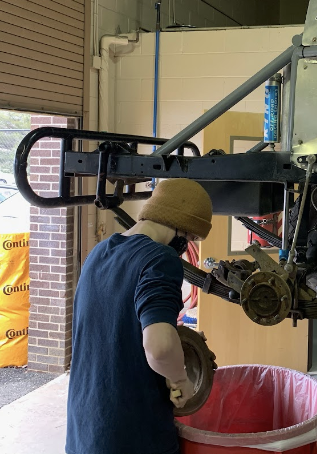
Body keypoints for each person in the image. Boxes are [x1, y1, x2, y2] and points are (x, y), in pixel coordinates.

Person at [66, 178, 213, 453]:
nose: (188, 244)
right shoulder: (161, 259)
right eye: (192, 237)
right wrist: (180, 379)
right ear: (181, 223)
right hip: (131, 431)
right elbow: (159, 347)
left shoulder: (100, 252)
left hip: (86, 426)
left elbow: (117, 326)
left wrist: (184, 340)